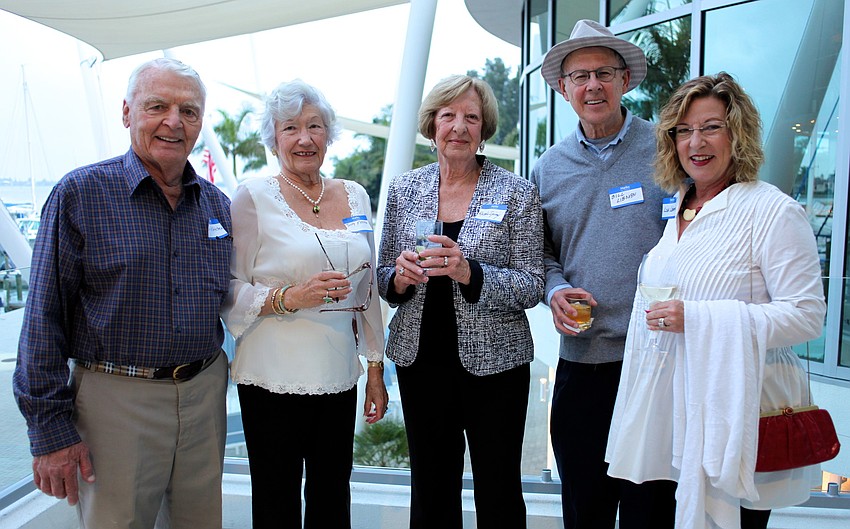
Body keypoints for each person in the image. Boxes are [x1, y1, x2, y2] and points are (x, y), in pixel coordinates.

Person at [13, 58, 231, 528]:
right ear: (127, 112)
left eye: (189, 111)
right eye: (158, 106)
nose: (174, 121)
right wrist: (49, 431)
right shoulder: (80, 194)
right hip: (114, 401)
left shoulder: (218, 206)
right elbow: (43, 319)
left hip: (205, 393)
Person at [605, 72, 826, 529]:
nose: (696, 142)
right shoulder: (682, 208)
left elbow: (807, 317)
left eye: (711, 127)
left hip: (730, 423)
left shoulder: (772, 211)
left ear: (737, 133)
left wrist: (701, 318)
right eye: (683, 131)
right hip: (662, 424)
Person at [378, 74, 544, 528]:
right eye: (448, 115)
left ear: (484, 129)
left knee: (499, 489)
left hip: (497, 369)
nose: (459, 127)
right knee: (431, 488)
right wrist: (401, 278)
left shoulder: (517, 192)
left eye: (471, 117)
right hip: (421, 363)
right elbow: (381, 278)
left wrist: (470, 272)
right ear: (432, 125)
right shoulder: (404, 189)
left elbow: (531, 284)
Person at [221, 79, 388, 529]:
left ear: (328, 135)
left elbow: (367, 289)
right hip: (271, 377)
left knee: (333, 501)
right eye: (291, 127)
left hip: (337, 376)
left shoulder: (355, 195)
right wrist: (289, 297)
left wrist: (375, 370)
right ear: (274, 139)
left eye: (315, 126)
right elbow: (228, 288)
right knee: (276, 504)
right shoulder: (252, 198)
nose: (304, 138)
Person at [529, 19, 676, 529]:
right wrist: (555, 289)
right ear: (563, 88)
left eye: (604, 73)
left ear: (624, 81)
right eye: (580, 76)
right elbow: (539, 253)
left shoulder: (668, 151)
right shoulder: (547, 168)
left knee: (650, 513)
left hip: (657, 364)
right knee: (585, 510)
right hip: (583, 366)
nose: (593, 85)